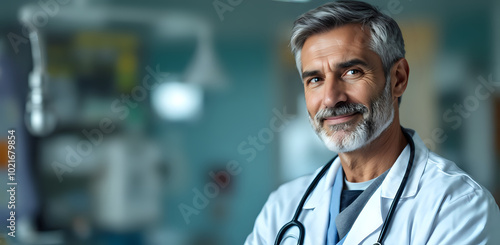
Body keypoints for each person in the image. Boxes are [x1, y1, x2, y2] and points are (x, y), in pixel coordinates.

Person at [244, 1, 500, 244]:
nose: (331, 98)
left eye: (352, 72)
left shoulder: (457, 205)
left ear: (398, 79)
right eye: (315, 79)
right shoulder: (283, 207)